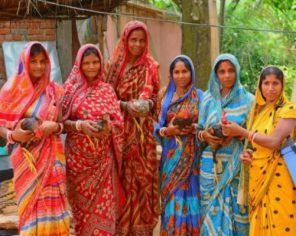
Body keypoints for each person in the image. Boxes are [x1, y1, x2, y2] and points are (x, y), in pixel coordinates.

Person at [0, 42, 70, 235]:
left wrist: (55, 126)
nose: (39, 66)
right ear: (24, 62)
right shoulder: (11, 90)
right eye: (33, 62)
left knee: (53, 207)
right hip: (26, 161)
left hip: (52, 157)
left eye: (42, 61)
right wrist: (12, 135)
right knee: (30, 207)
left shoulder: (54, 90)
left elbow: (62, 122)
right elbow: (1, 124)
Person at [222, 66, 296, 235]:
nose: (270, 88)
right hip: (257, 176)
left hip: (281, 176)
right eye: (266, 83)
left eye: (275, 83)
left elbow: (275, 141)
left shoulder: (288, 109)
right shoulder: (257, 112)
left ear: (282, 85)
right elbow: (255, 145)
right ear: (260, 86)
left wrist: (242, 132)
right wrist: (248, 155)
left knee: (282, 223)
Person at [60, 44, 125, 235]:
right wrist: (80, 126)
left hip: (103, 163)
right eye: (86, 63)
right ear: (79, 65)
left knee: (105, 209)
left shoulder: (107, 90)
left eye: (95, 62)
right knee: (82, 213)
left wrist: (108, 127)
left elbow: (119, 123)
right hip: (78, 163)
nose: (91, 67)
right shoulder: (69, 90)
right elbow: (60, 123)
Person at [104, 20, 160, 235]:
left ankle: (141, 228)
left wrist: (149, 105)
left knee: (140, 181)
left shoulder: (151, 66)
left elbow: (156, 98)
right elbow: (105, 99)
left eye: (141, 40)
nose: (137, 44)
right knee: (121, 181)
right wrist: (125, 105)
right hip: (119, 134)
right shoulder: (113, 66)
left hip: (142, 135)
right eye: (133, 40)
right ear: (125, 41)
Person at [197, 53, 253, 235]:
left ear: (237, 71)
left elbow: (254, 135)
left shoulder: (249, 100)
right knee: (209, 210)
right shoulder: (207, 98)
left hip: (236, 166)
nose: (227, 75)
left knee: (239, 214)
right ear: (216, 74)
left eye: (231, 71)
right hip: (209, 165)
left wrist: (237, 133)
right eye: (222, 71)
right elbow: (198, 130)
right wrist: (205, 135)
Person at [154, 55, 203, 235]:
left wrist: (194, 127)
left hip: (193, 159)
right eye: (177, 72)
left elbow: (206, 125)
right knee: (171, 197)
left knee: (192, 198)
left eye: (185, 71)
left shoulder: (200, 97)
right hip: (170, 158)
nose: (181, 76)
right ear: (171, 74)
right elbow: (153, 125)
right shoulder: (164, 96)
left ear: (191, 73)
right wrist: (168, 131)